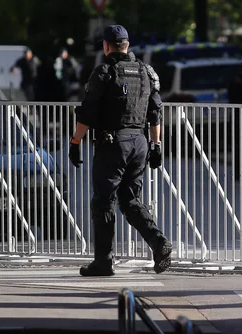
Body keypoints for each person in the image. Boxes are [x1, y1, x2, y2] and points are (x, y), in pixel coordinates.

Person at [68, 25, 172, 277]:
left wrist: (75, 142)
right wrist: (156, 145)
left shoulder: (104, 72)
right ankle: (159, 244)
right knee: (130, 200)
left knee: (104, 202)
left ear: (106, 46)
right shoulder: (146, 72)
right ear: (127, 45)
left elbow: (88, 112)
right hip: (139, 143)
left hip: (112, 144)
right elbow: (155, 112)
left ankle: (103, 262)